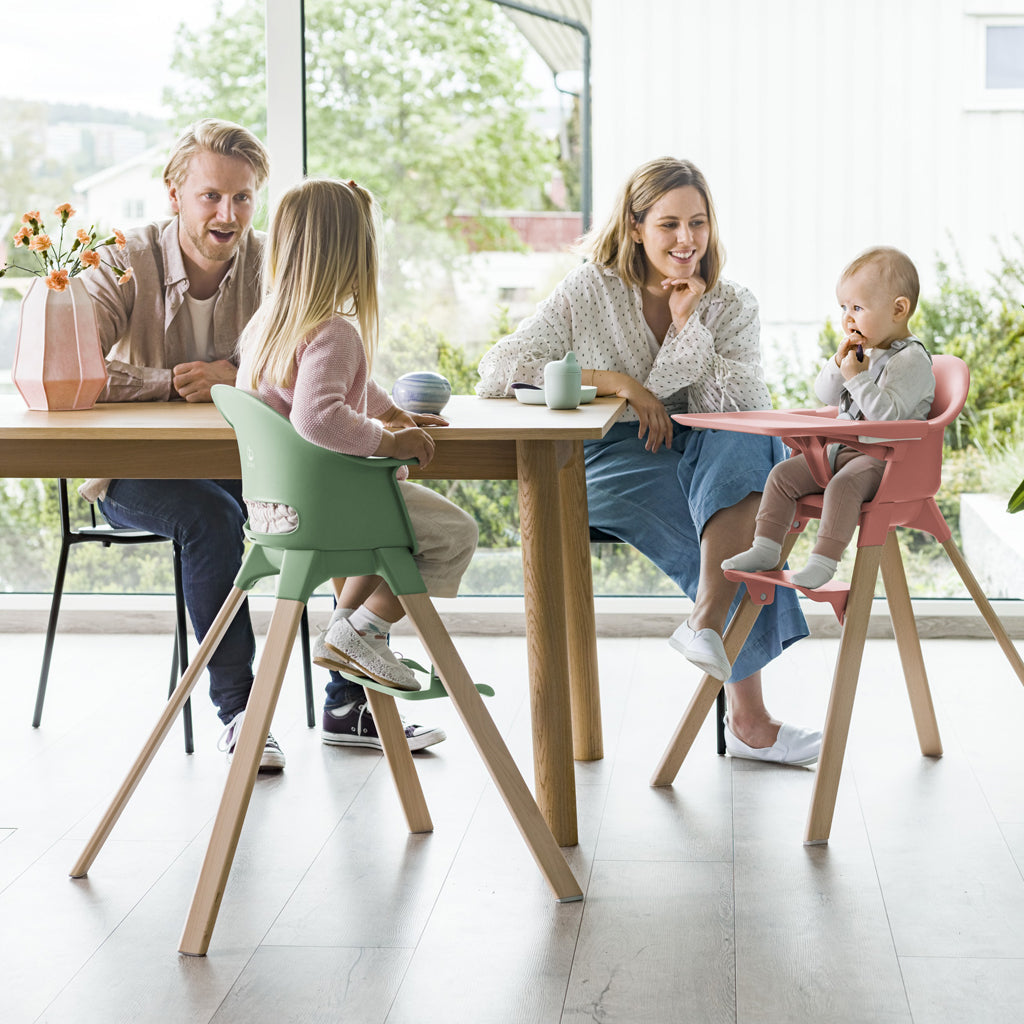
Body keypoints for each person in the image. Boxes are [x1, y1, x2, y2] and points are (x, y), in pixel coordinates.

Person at [80, 120, 444, 768]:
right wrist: (170, 381)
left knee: (332, 496)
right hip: (137, 473)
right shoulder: (121, 261)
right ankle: (241, 714)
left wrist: (384, 409)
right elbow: (77, 369)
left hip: (245, 466)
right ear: (173, 194)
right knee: (210, 517)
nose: (229, 214)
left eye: (244, 199)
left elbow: (317, 366)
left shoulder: (272, 262)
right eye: (211, 197)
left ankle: (347, 699)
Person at [476, 156, 820, 766]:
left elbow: (740, 406)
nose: (686, 240)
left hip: (706, 447)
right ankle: (749, 722)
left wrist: (691, 327)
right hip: (611, 453)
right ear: (636, 228)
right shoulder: (591, 288)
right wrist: (622, 386)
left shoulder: (732, 304)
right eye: (668, 225)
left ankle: (707, 620)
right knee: (737, 519)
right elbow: (499, 369)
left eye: (698, 223)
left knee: (747, 449)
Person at [236, 177, 478, 725]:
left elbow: (334, 388)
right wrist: (389, 440)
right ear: (353, 256)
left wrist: (389, 409)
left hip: (279, 514)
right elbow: (317, 415)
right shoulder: (335, 331)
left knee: (401, 527)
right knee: (454, 535)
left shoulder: (267, 327)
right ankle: (360, 629)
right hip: (331, 511)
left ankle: (347, 632)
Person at [723, 246, 934, 589]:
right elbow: (826, 395)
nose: (848, 318)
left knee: (843, 485)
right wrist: (839, 365)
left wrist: (858, 378)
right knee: (782, 475)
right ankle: (764, 547)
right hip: (843, 449)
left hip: (887, 459)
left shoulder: (910, 360)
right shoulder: (865, 353)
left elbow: (888, 418)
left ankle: (824, 560)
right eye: (844, 308)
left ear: (898, 309)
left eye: (858, 308)